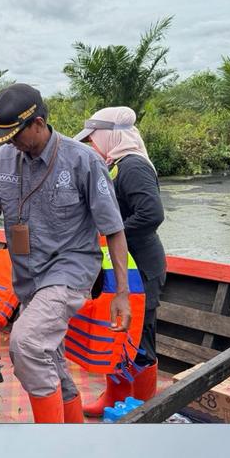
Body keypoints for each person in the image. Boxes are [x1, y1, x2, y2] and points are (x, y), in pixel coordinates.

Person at [0, 83, 130, 422]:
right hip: (28, 277)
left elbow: (114, 229)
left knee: (27, 343)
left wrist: (121, 293)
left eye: (15, 133)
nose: (10, 141)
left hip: (70, 270)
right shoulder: (2, 157)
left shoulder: (83, 160)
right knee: (50, 358)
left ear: (39, 123)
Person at [76, 107, 166, 415]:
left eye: (93, 138)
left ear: (109, 135)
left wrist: (110, 233)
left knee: (140, 340)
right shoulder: (115, 165)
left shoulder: (133, 166)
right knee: (117, 335)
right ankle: (114, 399)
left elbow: (152, 215)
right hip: (121, 267)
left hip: (141, 268)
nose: (92, 145)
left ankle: (142, 408)